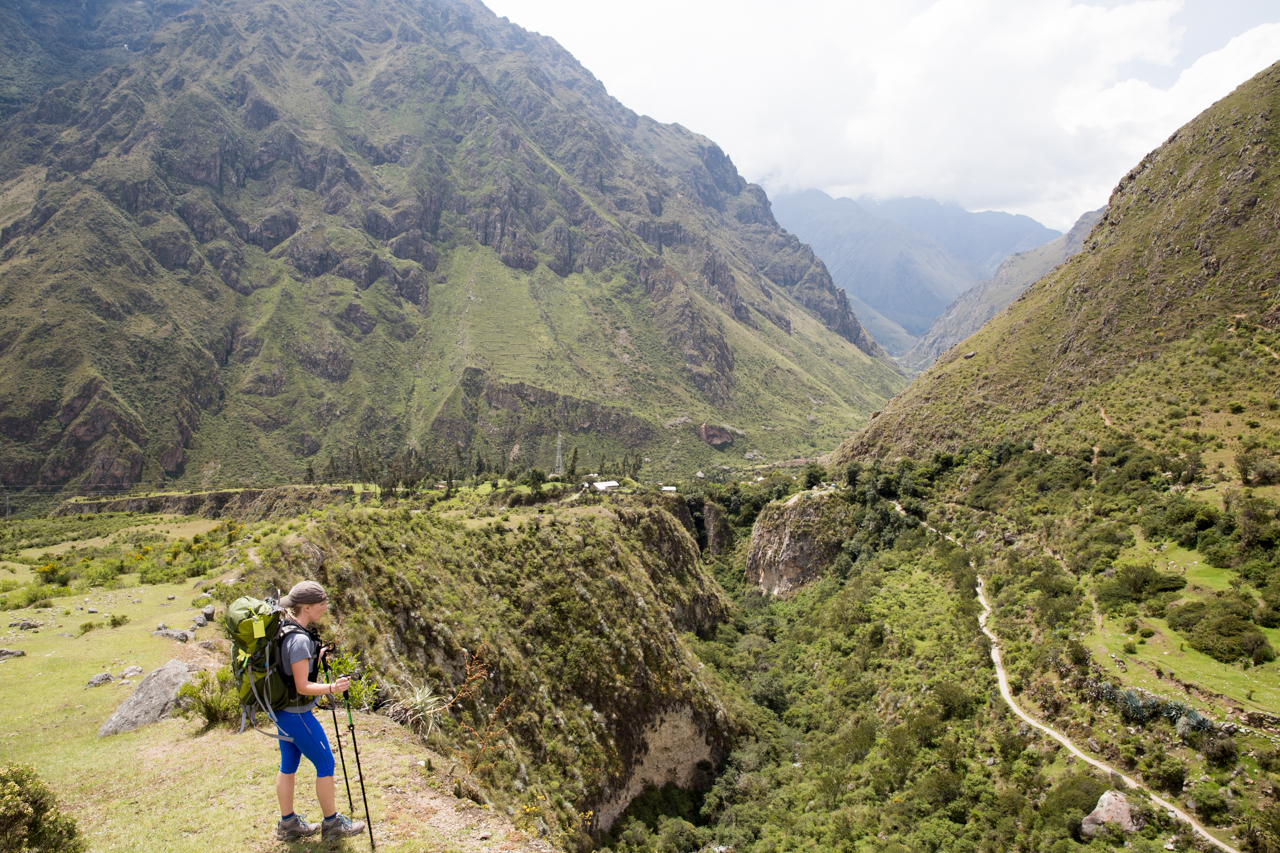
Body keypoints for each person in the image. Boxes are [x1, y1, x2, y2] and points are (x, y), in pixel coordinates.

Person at [272, 580, 367, 841]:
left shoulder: (286, 629)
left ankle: (288, 824)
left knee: (288, 764)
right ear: (306, 608)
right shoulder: (300, 640)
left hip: (281, 712)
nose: (325, 608)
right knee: (326, 763)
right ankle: (332, 824)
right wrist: (332, 688)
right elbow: (302, 686)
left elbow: (291, 668)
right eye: (321, 604)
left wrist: (316, 653)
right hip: (297, 714)